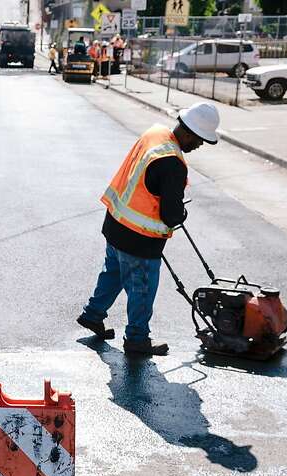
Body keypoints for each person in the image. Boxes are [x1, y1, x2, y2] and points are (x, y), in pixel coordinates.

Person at [77, 103, 221, 356]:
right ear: (189, 133)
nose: (199, 145)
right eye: (200, 140)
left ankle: (93, 314)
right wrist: (180, 212)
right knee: (141, 288)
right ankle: (137, 339)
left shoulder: (155, 134)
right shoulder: (173, 163)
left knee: (113, 272)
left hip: (116, 222)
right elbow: (171, 215)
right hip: (139, 239)